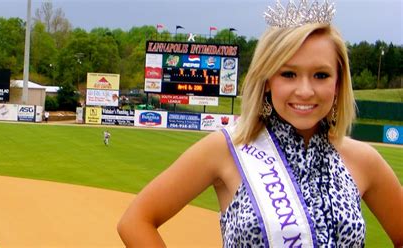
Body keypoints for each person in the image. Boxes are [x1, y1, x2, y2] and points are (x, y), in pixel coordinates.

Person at [117, 0, 403, 247]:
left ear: (338, 81)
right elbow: (136, 221)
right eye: (289, 74)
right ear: (267, 81)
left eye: (321, 75)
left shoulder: (363, 161)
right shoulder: (228, 149)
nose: (305, 90)